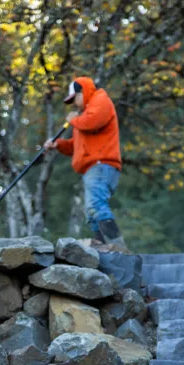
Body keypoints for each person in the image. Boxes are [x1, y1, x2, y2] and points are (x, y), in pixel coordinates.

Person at [45, 77, 125, 246]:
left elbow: (92, 121)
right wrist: (57, 144)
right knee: (92, 213)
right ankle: (105, 249)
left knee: (96, 205)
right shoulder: (85, 115)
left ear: (84, 91)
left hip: (101, 165)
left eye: (75, 99)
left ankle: (119, 249)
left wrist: (73, 120)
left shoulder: (100, 100)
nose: (74, 104)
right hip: (93, 167)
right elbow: (76, 147)